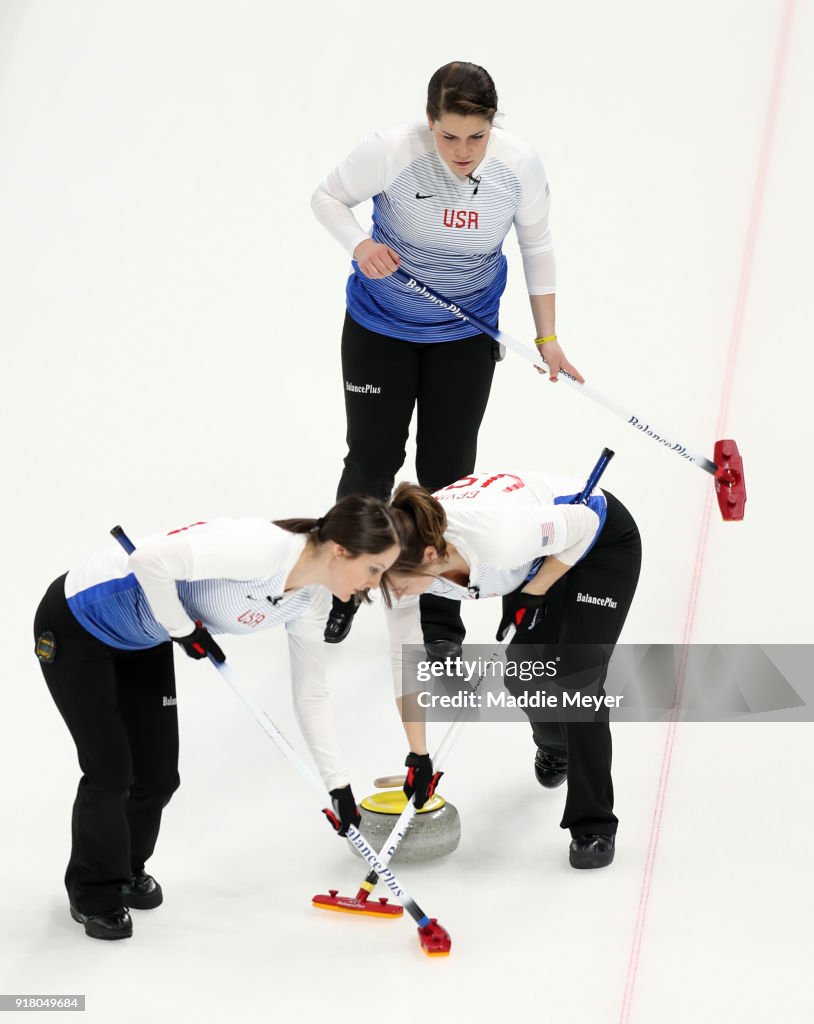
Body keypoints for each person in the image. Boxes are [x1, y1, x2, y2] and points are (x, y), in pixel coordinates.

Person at [33, 496, 402, 940]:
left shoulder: (311, 599)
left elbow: (311, 692)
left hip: (143, 636)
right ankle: (92, 892)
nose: (372, 586)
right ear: (342, 549)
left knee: (158, 775)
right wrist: (184, 630)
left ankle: (125, 869)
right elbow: (151, 561)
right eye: (374, 570)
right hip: (79, 620)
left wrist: (338, 785)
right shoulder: (262, 547)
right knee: (110, 772)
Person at [311, 60, 583, 652]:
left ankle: (440, 622)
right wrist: (359, 243)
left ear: (493, 125)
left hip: (464, 336)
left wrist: (548, 337)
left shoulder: (519, 166)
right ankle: (344, 590)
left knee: (450, 477)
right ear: (430, 121)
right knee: (371, 464)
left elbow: (537, 246)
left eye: (477, 136)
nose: (463, 151)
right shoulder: (390, 150)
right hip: (380, 329)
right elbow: (328, 197)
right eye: (449, 135)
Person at [381, 468, 641, 869]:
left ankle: (593, 823)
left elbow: (589, 521)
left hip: (599, 541)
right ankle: (556, 746)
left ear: (430, 556)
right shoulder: (398, 567)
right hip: (540, 553)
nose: (390, 590)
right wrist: (418, 754)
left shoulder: (496, 540)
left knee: (577, 678)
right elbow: (405, 663)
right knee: (522, 670)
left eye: (396, 581)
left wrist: (536, 590)